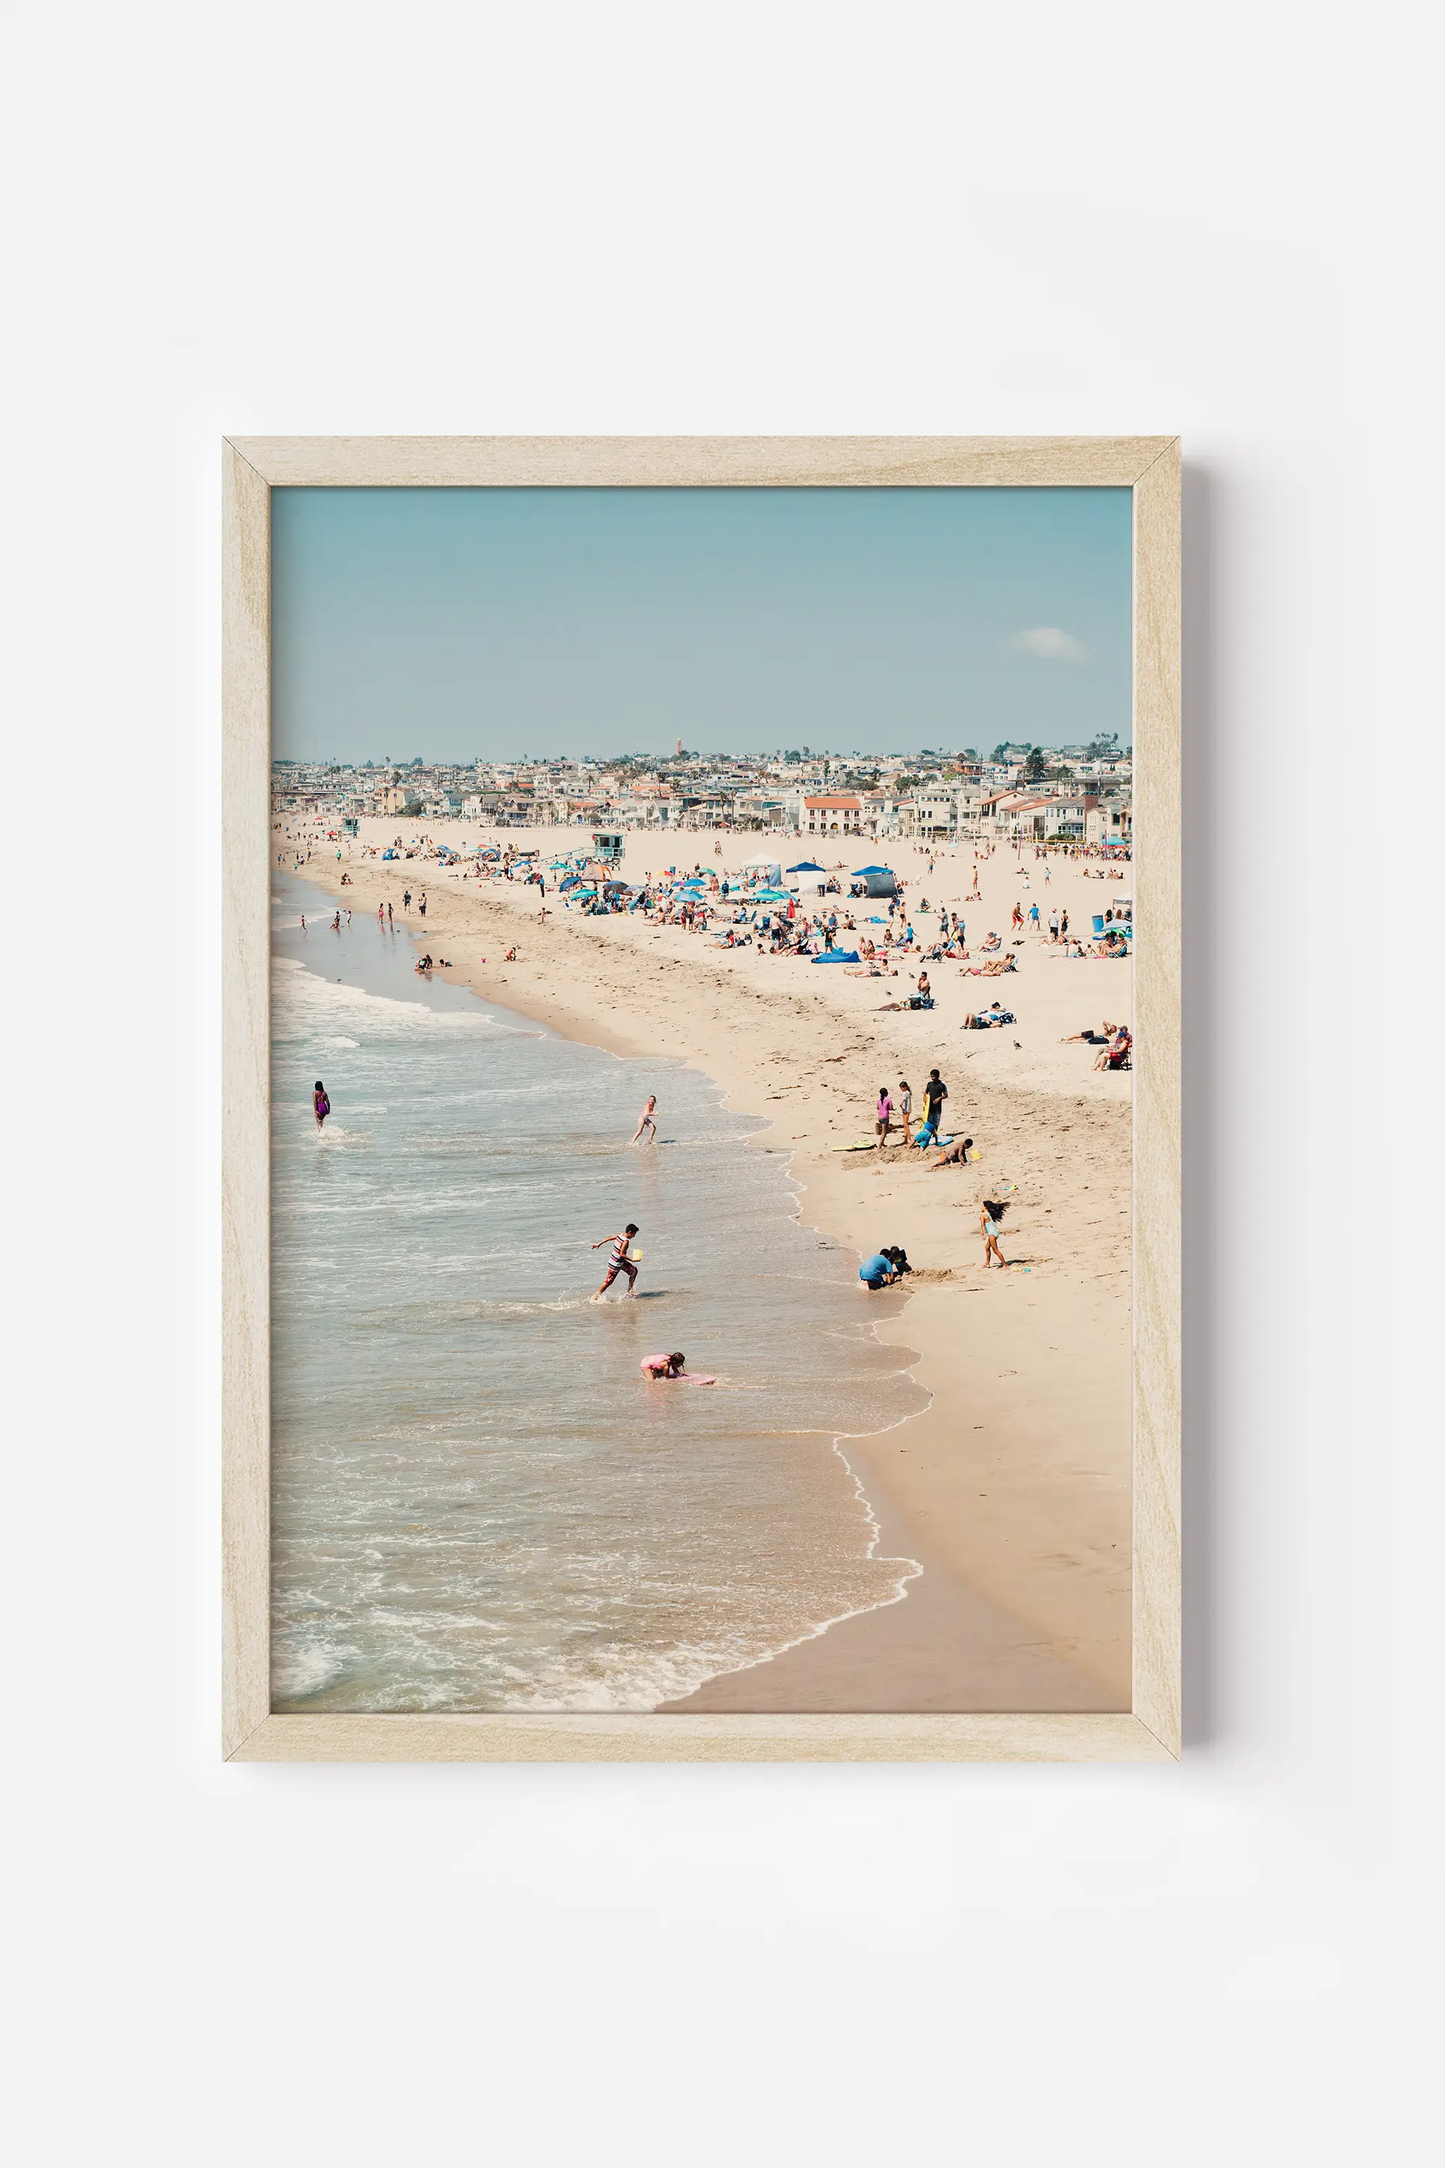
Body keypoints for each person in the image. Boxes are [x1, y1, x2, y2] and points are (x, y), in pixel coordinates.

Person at [592, 1223, 640, 1299]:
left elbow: (608, 1238)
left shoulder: (619, 1235)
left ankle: (629, 1292)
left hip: (621, 1262)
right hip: (616, 1264)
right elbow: (622, 1254)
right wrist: (633, 1260)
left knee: (634, 1271)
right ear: (630, 1232)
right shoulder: (626, 1242)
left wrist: (598, 1244)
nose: (634, 1236)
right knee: (608, 1281)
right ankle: (596, 1296)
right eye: (634, 1234)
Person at [980, 1199, 1009, 1268]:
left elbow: (982, 1225)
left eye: (982, 1206)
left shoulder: (983, 1215)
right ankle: (987, 1263)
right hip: (994, 1232)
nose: (981, 1207)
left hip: (992, 1234)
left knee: (995, 1250)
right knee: (987, 1248)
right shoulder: (989, 1214)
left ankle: (1005, 1265)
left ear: (985, 1208)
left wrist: (984, 1234)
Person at [922, 1068, 948, 1135]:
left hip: (937, 1108)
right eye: (931, 1076)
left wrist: (939, 1098)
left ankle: (934, 1135)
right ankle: (928, 1135)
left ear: (937, 1076)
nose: (932, 1078)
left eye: (933, 1076)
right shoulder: (929, 1084)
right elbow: (926, 1092)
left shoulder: (941, 1085)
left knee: (936, 1123)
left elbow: (946, 1095)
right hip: (929, 1107)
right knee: (929, 1122)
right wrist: (924, 1098)